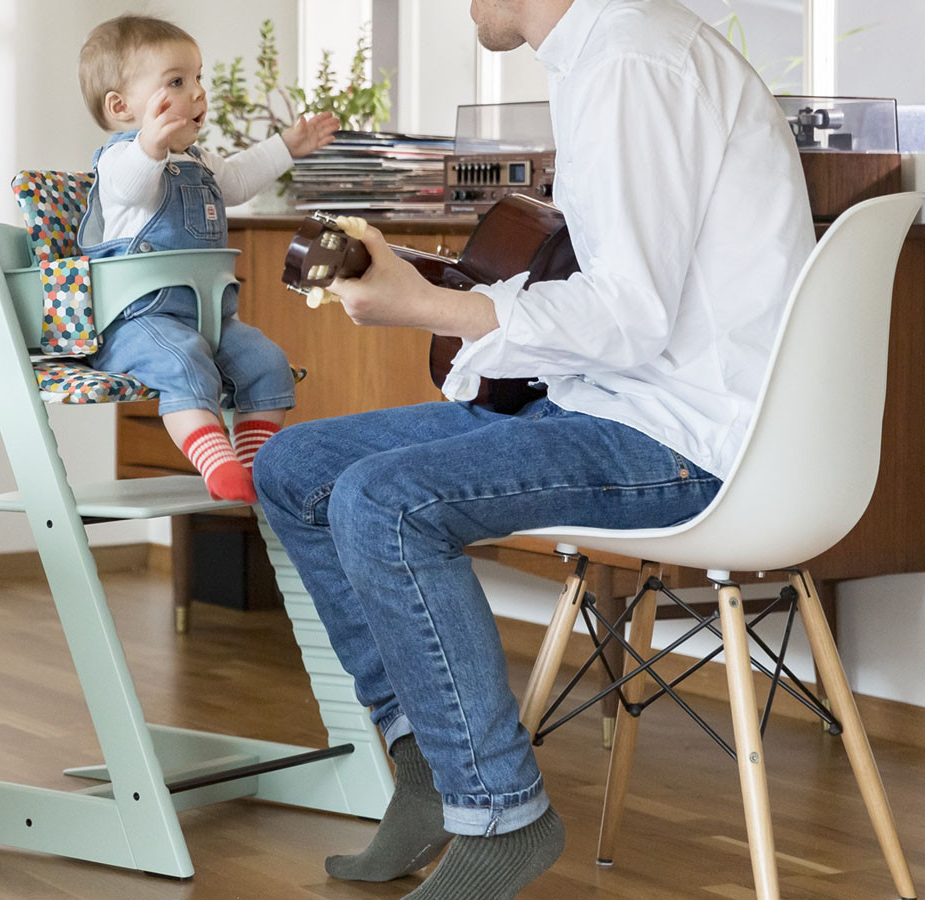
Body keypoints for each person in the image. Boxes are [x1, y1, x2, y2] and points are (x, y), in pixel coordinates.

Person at [252, 0, 815, 897]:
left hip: (683, 437)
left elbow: (627, 315)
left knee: (381, 502)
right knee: (295, 468)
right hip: (605, 405)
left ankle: (500, 817)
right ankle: (429, 766)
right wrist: (436, 292)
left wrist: (429, 307)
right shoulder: (601, 56)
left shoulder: (634, 62)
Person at [76, 15, 339, 503]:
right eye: (177, 81)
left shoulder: (197, 159)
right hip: (137, 322)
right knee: (184, 362)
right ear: (121, 106)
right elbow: (134, 184)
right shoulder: (119, 161)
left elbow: (236, 181)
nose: (197, 92)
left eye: (199, 78)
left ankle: (254, 464)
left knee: (267, 362)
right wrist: (150, 146)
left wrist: (288, 146)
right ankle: (217, 465)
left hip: (209, 316)